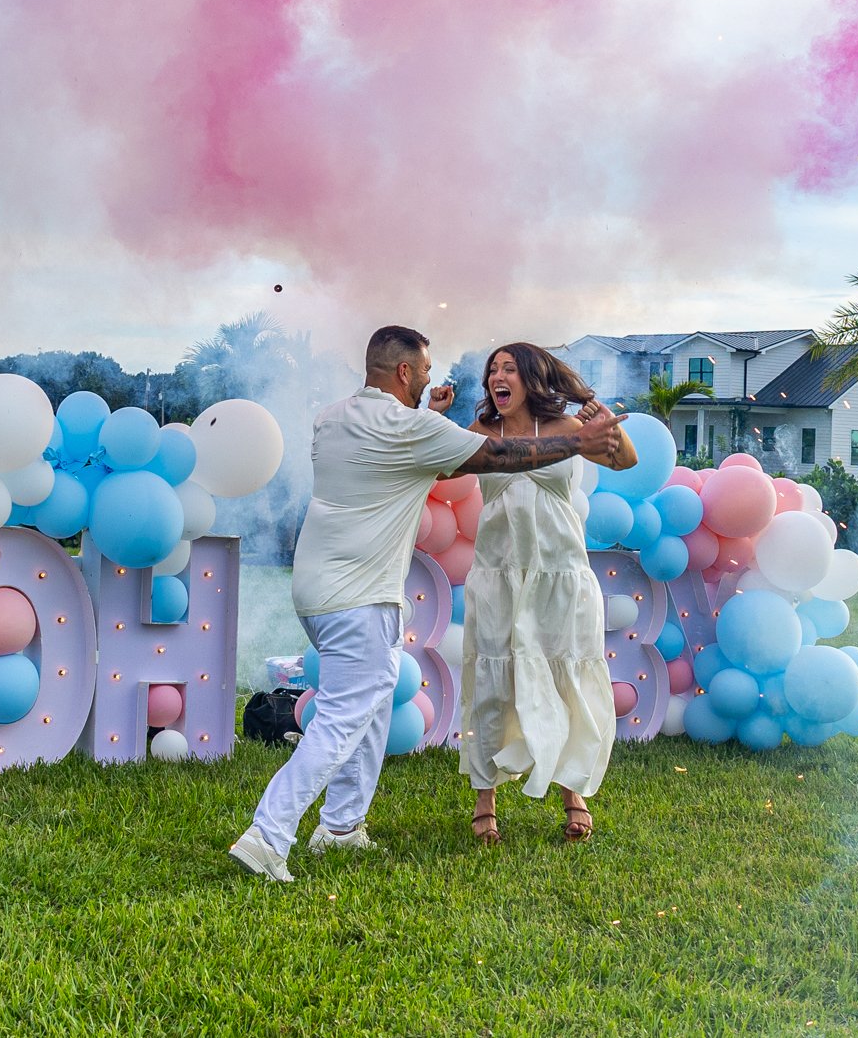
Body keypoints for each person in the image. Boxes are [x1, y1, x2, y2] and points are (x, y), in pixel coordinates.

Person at [230, 325, 625, 882]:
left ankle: (341, 828)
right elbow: (498, 455)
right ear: (404, 373)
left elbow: (432, 456)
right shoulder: (408, 425)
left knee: (369, 709)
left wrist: (435, 420)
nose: (430, 381)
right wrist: (576, 443)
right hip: (358, 597)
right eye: (425, 372)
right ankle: (267, 835)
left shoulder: (333, 418)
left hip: (317, 591)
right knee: (343, 718)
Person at [460, 342, 636, 845]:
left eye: (509, 368)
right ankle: (485, 798)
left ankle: (572, 790)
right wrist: (434, 418)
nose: (498, 375)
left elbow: (625, 460)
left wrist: (607, 425)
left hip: (561, 575)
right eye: (492, 369)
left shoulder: (566, 431)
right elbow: (440, 466)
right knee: (494, 682)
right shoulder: (480, 434)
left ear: (531, 379)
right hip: (499, 576)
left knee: (566, 678)